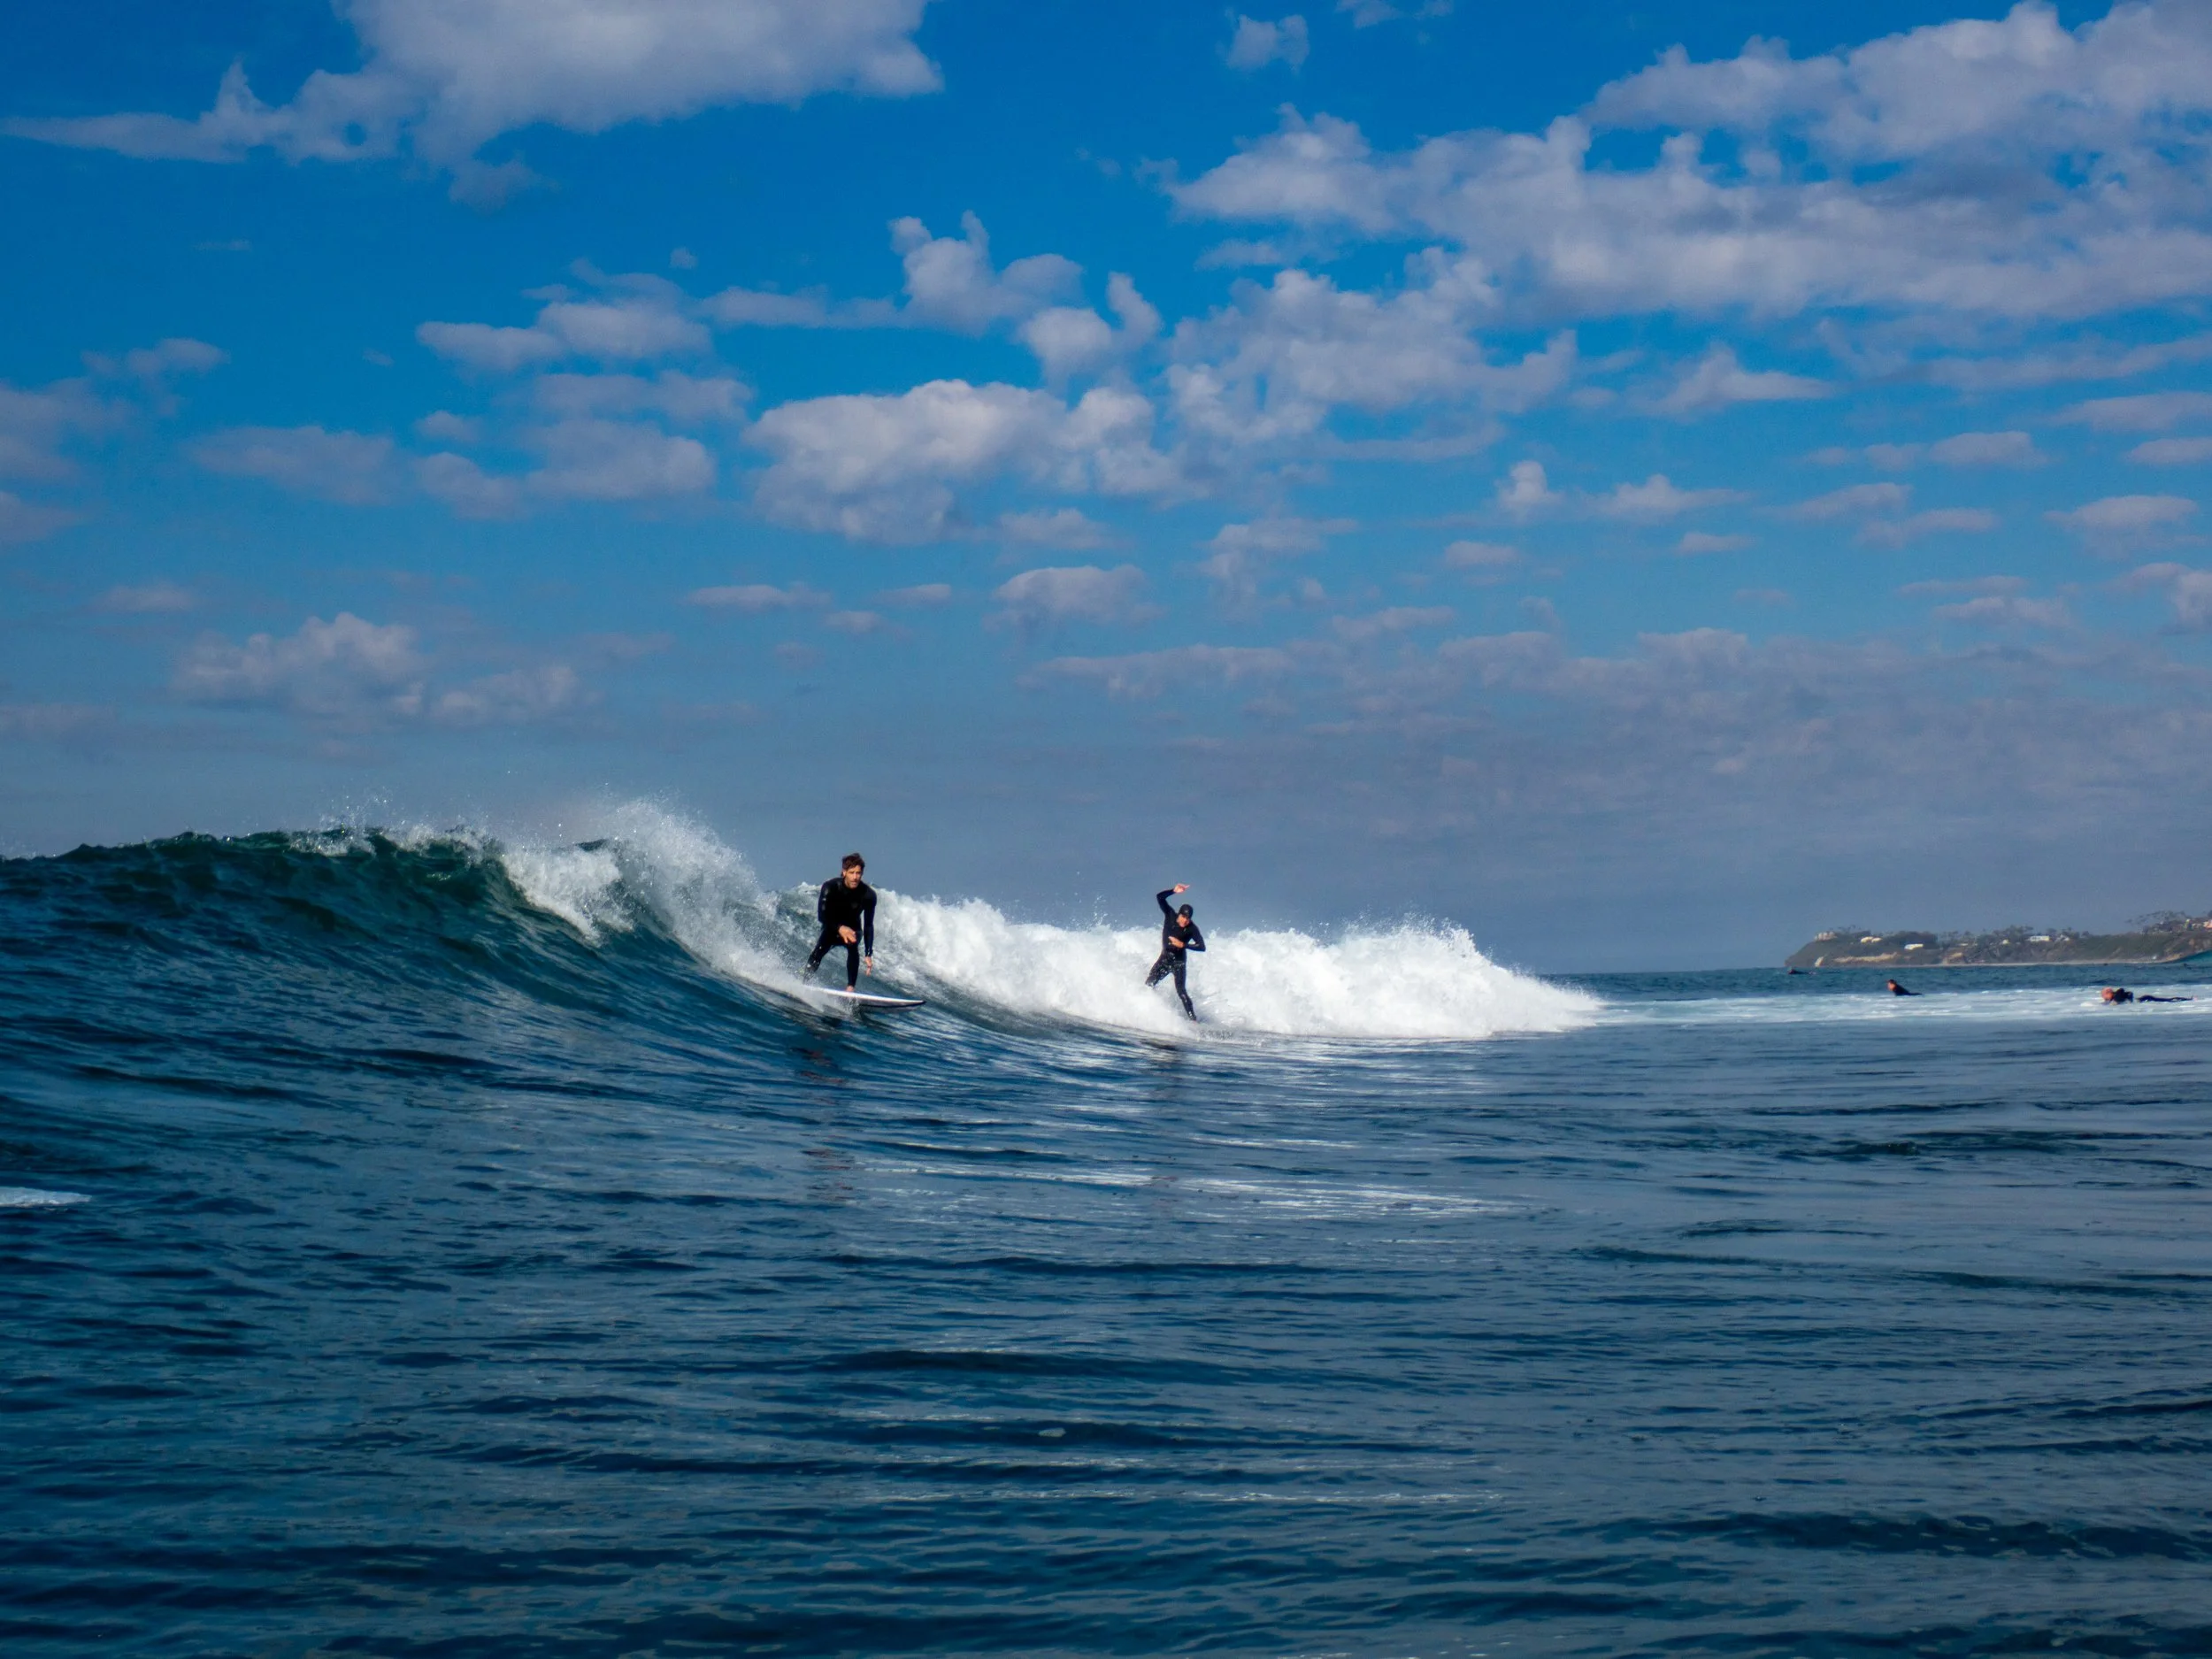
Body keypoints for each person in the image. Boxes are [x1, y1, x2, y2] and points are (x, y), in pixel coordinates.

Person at [805, 852, 876, 989]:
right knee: (819, 950)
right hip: (833, 927)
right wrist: (839, 928)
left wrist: (868, 953)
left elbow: (868, 925)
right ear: (844, 872)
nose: (855, 877)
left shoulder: (868, 895)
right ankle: (805, 982)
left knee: (853, 942)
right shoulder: (831, 887)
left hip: (853, 929)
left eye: (858, 873)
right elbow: (822, 915)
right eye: (852, 873)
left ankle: (850, 988)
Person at [1144, 882, 1205, 1019]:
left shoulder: (1192, 928)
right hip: (1165, 959)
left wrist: (1183, 945)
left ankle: (1194, 1021)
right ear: (1180, 914)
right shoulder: (1170, 915)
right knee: (1149, 984)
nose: (1185, 921)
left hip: (1179, 962)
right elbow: (1160, 897)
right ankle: (1149, 1012)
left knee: (1181, 991)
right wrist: (1173, 891)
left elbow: (1202, 947)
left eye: (1188, 919)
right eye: (1184, 917)